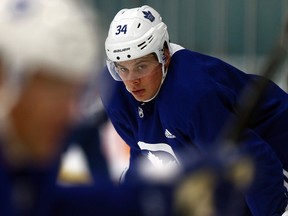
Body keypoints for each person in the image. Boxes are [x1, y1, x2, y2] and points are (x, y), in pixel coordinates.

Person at [100, 5, 288, 216]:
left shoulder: (193, 92)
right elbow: (144, 152)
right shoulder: (116, 92)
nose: (131, 81)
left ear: (164, 55)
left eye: (141, 66)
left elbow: (251, 160)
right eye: (122, 68)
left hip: (276, 145)